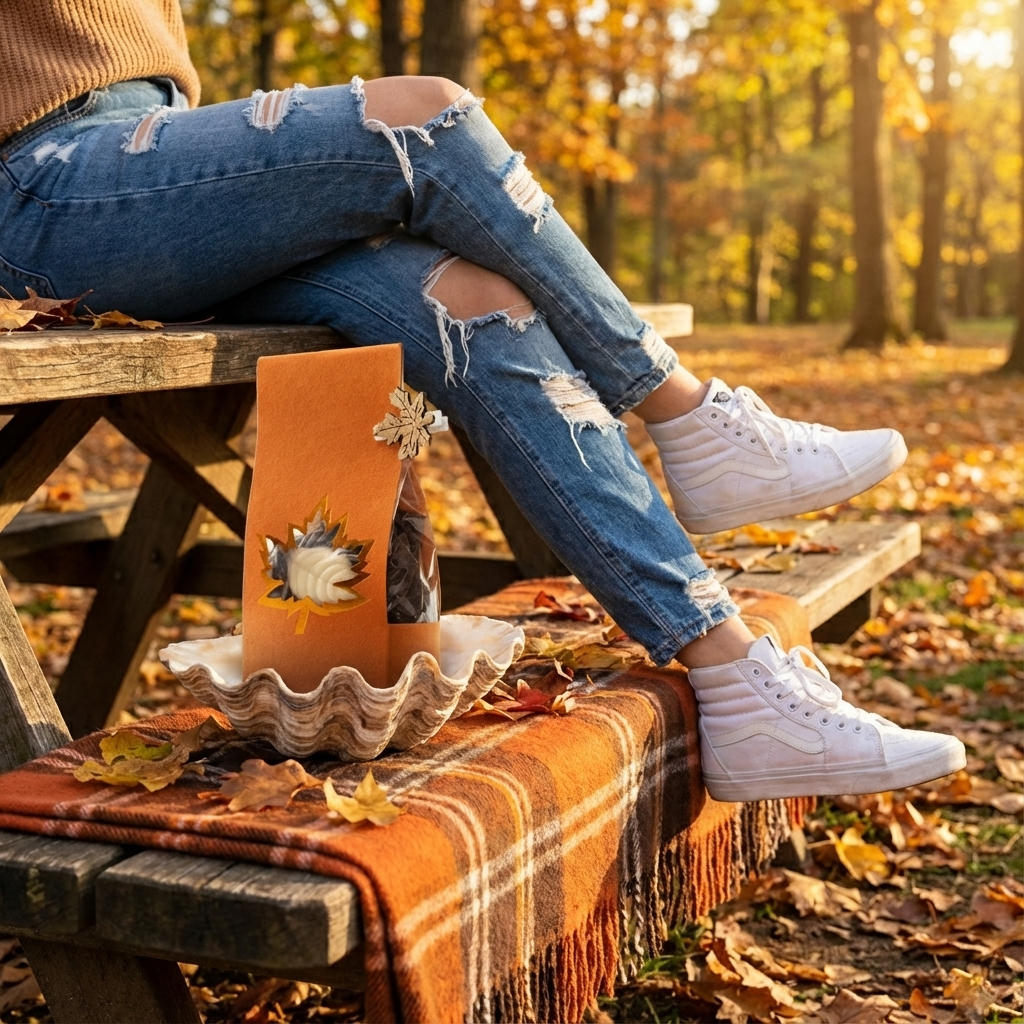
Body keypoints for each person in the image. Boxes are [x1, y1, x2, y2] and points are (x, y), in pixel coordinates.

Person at [0, 1, 965, 801]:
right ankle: (683, 410)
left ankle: (732, 674)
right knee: (427, 113)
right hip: (44, 187)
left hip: (155, 173)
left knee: (478, 304)